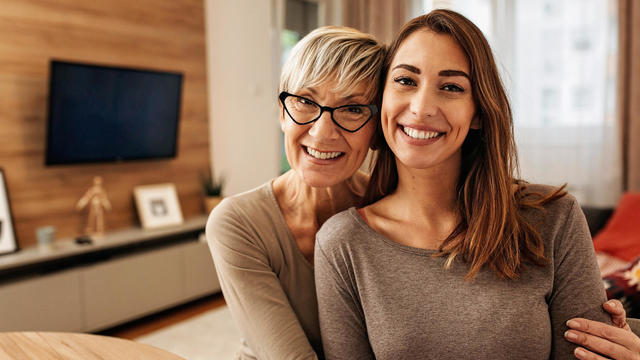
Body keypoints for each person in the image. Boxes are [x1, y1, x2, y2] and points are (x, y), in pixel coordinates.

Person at [314, 9, 620, 359]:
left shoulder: (555, 219)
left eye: (451, 87)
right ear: (380, 98)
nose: (421, 107)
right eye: (405, 80)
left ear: (478, 113)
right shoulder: (343, 245)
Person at [206, 26, 385, 359]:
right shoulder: (237, 223)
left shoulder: (391, 208)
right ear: (282, 112)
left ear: (378, 130)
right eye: (305, 101)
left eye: (352, 109)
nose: (321, 132)